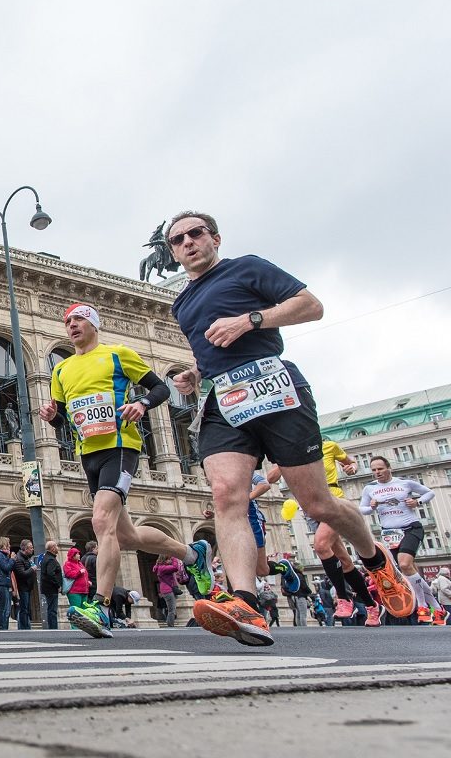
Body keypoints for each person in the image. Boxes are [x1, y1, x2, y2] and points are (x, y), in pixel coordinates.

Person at [166, 210, 414, 646]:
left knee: (318, 505)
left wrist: (251, 320)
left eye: (195, 233)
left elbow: (311, 306)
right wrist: (194, 374)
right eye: (177, 240)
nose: (187, 242)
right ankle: (245, 601)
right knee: (227, 495)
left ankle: (377, 562)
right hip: (225, 399)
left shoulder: (248, 268)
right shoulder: (181, 303)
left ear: (215, 238)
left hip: (276, 387)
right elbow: (210, 353)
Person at [39, 302, 214, 639]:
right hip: (87, 454)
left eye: (78, 319)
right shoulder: (61, 371)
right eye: (67, 322)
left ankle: (101, 607)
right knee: (126, 536)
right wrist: (52, 417)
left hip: (121, 449)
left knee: (100, 521)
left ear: (93, 324)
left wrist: (141, 403)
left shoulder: (117, 354)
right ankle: (193, 554)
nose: (71, 325)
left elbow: (160, 387)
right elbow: (64, 420)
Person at [273, 441, 376, 623]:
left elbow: (350, 462)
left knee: (321, 545)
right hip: (310, 507)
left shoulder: (328, 446)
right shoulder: (290, 449)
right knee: (344, 561)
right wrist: (284, 456)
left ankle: (344, 600)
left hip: (332, 500)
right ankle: (371, 605)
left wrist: (352, 467)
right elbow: (271, 478)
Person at [358, 456, 443, 624]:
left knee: (404, 565)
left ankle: (423, 606)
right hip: (389, 534)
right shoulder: (369, 489)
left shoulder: (404, 483)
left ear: (389, 468)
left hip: (411, 528)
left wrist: (417, 502)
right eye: (374, 470)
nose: (377, 473)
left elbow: (429, 493)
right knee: (407, 571)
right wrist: (372, 507)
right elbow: (363, 509)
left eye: (380, 469)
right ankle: (439, 610)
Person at [247, 471, 302, 595]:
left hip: (252, 520)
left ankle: (284, 568)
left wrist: (246, 498)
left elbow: (264, 484)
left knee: (261, 570)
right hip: (233, 522)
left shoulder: (244, 467)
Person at [0, 536, 15, 630]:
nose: (10, 546)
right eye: (8, 544)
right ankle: (2, 628)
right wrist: (12, 559)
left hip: (6, 583)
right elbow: (6, 567)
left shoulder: (4, 555)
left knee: (7, 607)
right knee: (3, 607)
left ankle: (5, 627)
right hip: (1, 583)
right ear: (4, 545)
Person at [154, 554, 184, 627]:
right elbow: (175, 567)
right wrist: (174, 558)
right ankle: (170, 625)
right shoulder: (163, 568)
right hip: (168, 590)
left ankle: (170, 624)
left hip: (168, 589)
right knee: (171, 610)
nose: (170, 560)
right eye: (169, 559)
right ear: (164, 560)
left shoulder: (161, 567)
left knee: (171, 609)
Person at [13, 539, 37, 630]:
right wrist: (32, 569)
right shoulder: (19, 559)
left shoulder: (26, 558)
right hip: (23, 587)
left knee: (26, 608)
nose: (32, 549)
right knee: (24, 609)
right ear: (25, 549)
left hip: (27, 587)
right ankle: (24, 627)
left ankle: (26, 626)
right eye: (30, 548)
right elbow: (22, 574)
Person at [62, 547, 90, 622]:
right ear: (73, 555)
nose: (79, 555)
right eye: (77, 554)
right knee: (76, 611)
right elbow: (69, 574)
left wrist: (88, 582)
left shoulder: (80, 564)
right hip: (74, 592)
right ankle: (75, 628)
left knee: (84, 612)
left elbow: (85, 575)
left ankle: (83, 627)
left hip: (84, 591)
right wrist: (79, 572)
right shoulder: (68, 564)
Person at [38, 541, 62, 630]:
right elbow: (50, 574)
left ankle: (52, 627)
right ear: (52, 548)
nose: (58, 548)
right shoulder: (51, 559)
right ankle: (53, 628)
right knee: (52, 610)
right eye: (56, 546)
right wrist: (58, 585)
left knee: (51, 609)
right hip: (51, 588)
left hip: (48, 587)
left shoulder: (46, 557)